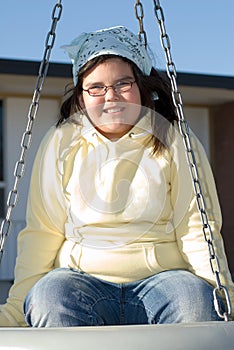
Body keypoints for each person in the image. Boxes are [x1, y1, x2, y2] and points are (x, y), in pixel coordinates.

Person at [0, 26, 233, 327]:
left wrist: (220, 295)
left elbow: (197, 227)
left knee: (195, 301)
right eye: (96, 87)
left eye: (123, 83)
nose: (110, 96)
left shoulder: (173, 139)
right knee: (48, 298)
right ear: (81, 98)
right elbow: (43, 231)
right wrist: (18, 307)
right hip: (80, 281)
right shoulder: (61, 143)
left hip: (164, 281)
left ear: (141, 87)